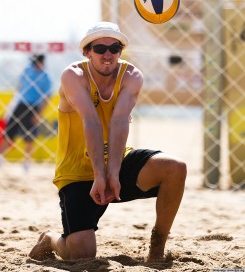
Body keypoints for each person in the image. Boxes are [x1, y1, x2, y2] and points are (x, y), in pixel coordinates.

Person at [29, 22, 187, 262]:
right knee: (81, 254)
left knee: (175, 168)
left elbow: (120, 121)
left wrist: (112, 174)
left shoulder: (131, 75)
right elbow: (91, 122)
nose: (108, 54)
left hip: (116, 160)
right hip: (77, 174)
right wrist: (99, 176)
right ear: (87, 51)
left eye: (114, 47)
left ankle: (157, 249)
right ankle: (51, 238)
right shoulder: (73, 75)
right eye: (100, 48)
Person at [0, 54, 52, 170]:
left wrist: (39, 115)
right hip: (20, 104)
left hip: (34, 107)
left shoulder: (46, 77)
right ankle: (1, 158)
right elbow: (19, 87)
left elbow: (47, 98)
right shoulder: (27, 70)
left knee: (29, 136)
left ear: (42, 63)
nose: (34, 64)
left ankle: (27, 163)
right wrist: (12, 104)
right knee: (9, 132)